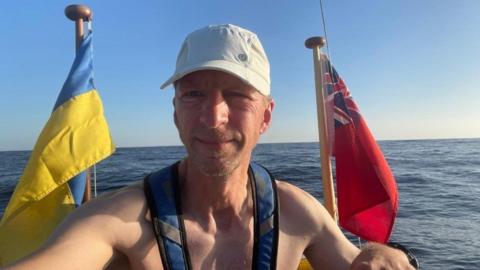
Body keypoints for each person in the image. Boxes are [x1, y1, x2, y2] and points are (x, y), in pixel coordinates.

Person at [4, 24, 417, 270]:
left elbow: (362, 263)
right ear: (175, 113)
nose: (213, 117)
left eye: (237, 96)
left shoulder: (297, 213)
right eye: (193, 95)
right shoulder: (119, 220)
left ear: (266, 117)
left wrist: (387, 254)